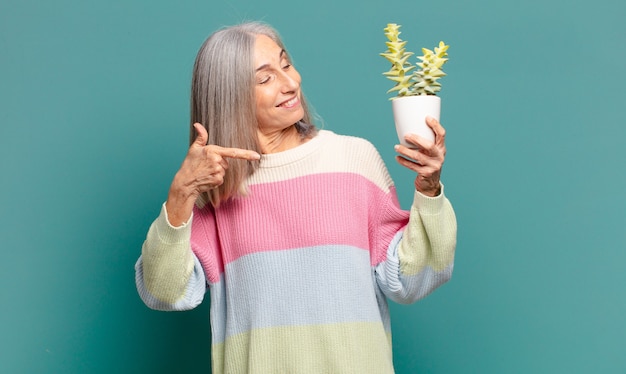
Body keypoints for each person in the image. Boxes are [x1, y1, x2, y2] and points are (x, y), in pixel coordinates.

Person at [135, 21, 457, 374]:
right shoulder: (214, 190)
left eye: (286, 64)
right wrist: (181, 194)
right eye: (265, 78)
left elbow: (409, 281)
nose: (291, 83)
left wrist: (428, 191)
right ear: (230, 97)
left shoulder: (353, 159)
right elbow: (163, 293)